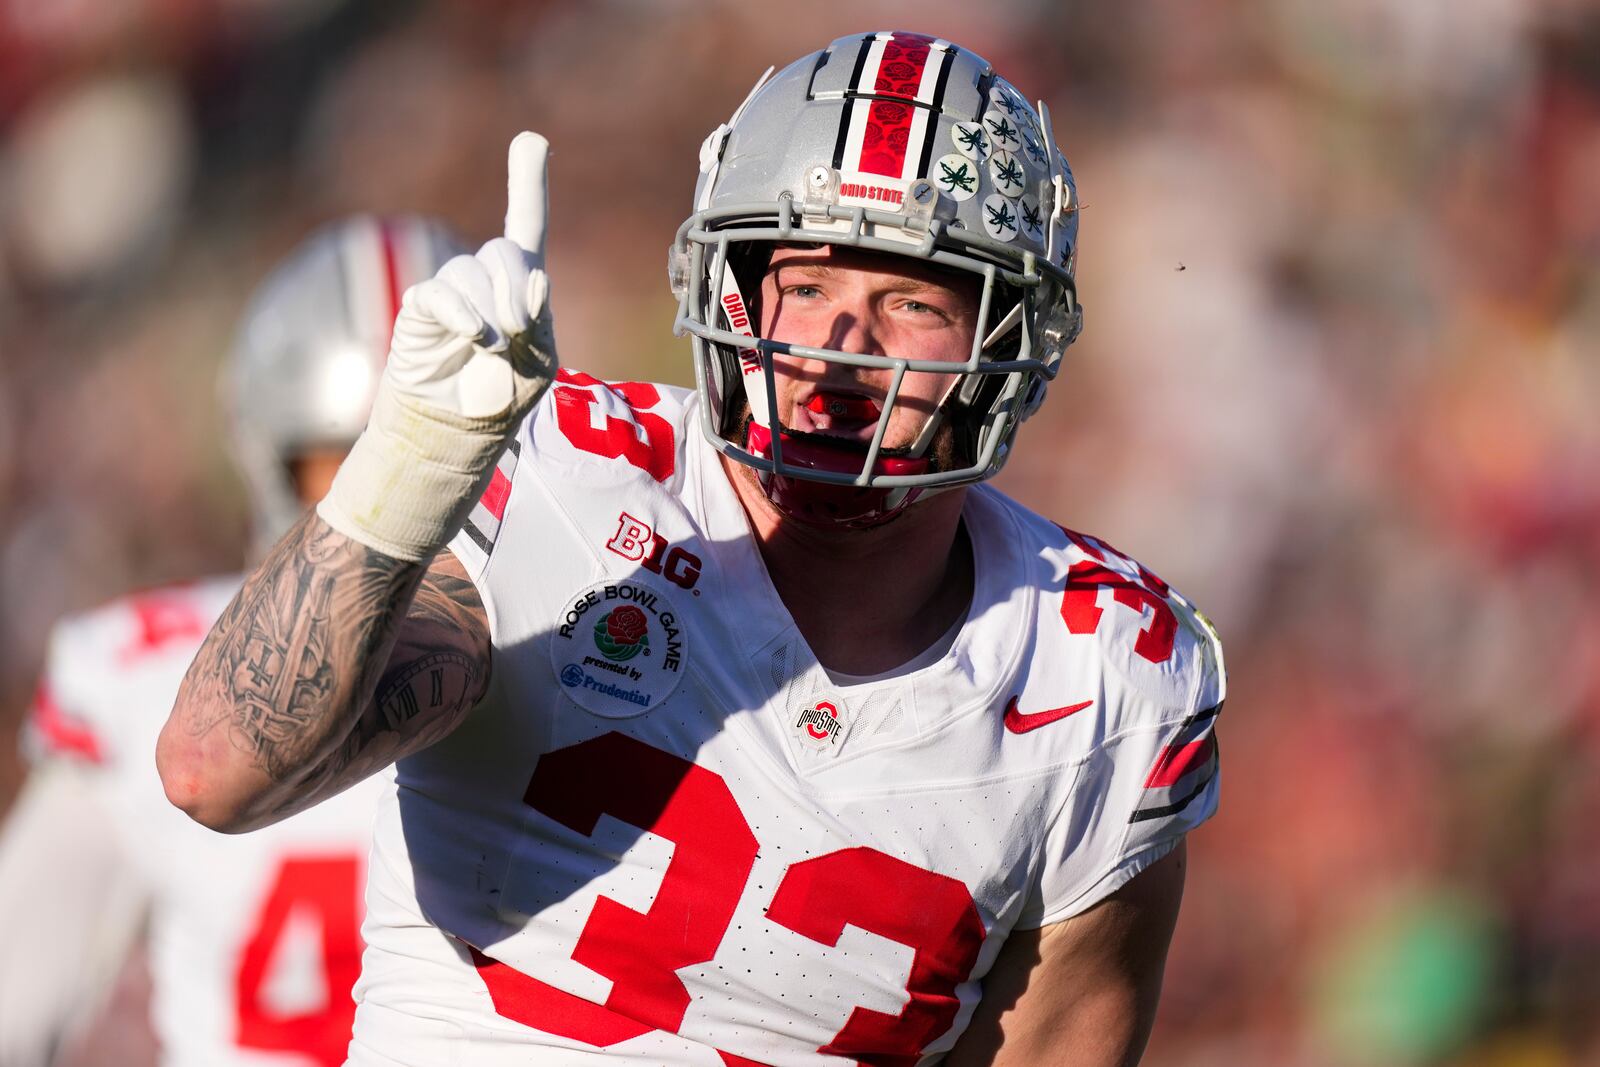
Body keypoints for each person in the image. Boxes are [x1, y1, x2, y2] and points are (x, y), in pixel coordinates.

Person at [159, 31, 1225, 1066]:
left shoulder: (1102, 679)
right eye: (805, 287)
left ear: (1008, 343)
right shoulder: (568, 479)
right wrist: (404, 471)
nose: (839, 350)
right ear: (730, 286)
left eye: (909, 300)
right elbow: (218, 768)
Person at [0, 215, 465, 1067]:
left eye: (456, 466)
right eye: (353, 470)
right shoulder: (154, 687)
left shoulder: (594, 648)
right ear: (268, 459)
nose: (405, 519)